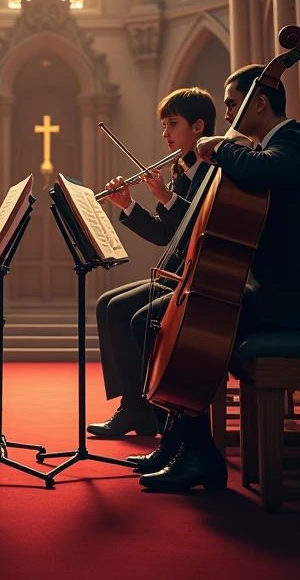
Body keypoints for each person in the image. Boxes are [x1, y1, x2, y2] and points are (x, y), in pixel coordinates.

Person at [130, 63, 300, 493]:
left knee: (184, 327)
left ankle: (199, 455)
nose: (228, 115)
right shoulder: (271, 148)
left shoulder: (295, 144)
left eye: (233, 104)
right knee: (151, 320)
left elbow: (255, 169)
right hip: (276, 294)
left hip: (296, 303)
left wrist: (218, 146)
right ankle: (178, 444)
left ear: (260, 102)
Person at [86, 88, 216, 438]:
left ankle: (156, 412)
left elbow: (203, 226)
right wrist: (128, 205)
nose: (165, 134)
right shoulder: (181, 171)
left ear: (199, 127)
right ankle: (133, 408)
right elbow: (164, 234)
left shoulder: (214, 172)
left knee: (135, 317)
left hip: (197, 278)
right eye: (163, 125)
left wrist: (167, 197)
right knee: (107, 306)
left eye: (173, 124)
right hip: (175, 273)